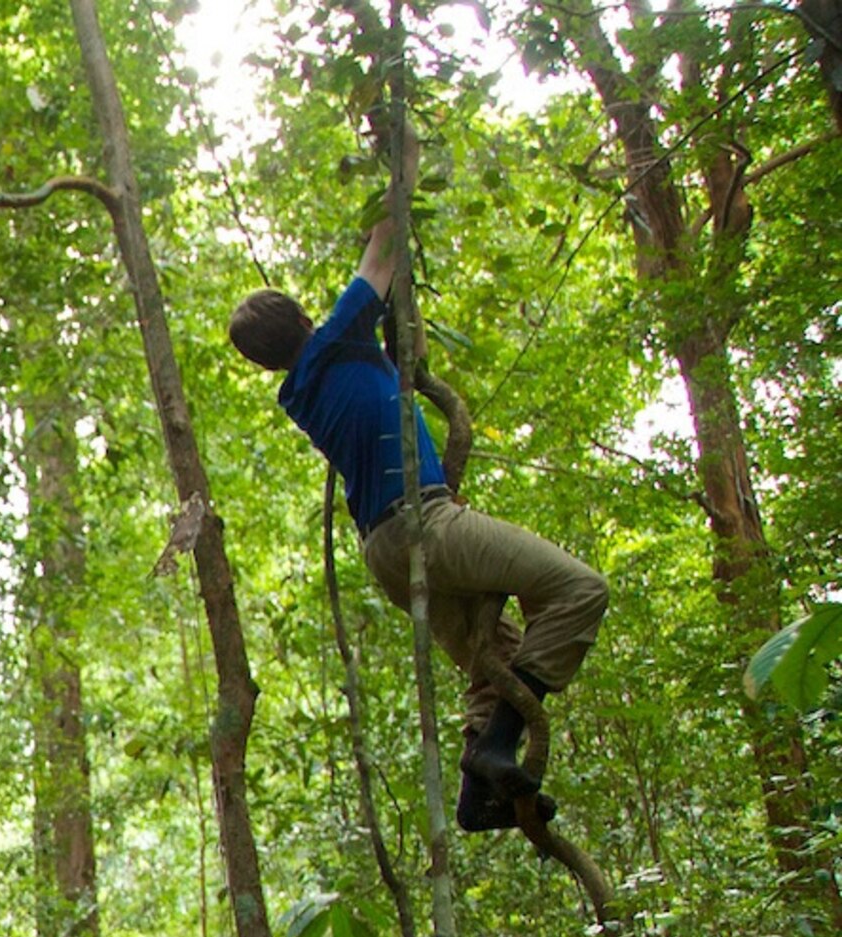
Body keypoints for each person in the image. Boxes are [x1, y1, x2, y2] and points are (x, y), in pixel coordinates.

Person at [228, 218, 608, 832]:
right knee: (580, 590)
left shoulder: (300, 391)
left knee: (497, 663)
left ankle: (478, 796)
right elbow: (384, 244)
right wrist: (395, 153)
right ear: (304, 320)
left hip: (384, 552)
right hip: (424, 524)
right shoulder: (337, 338)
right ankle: (496, 744)